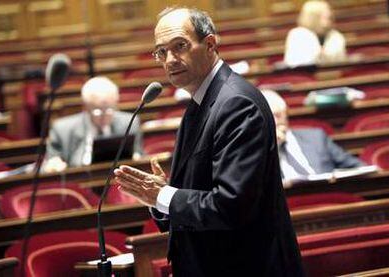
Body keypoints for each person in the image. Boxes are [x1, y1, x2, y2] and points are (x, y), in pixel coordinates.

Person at [114, 7, 304, 276]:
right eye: (161, 52)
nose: (169, 59)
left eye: (179, 46)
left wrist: (164, 196)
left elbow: (231, 206)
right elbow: (199, 196)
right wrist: (160, 197)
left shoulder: (236, 103)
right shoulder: (200, 102)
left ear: (210, 44)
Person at [261, 89, 365, 185]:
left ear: (286, 114)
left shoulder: (316, 137)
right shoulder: (258, 149)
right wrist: (274, 146)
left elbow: (357, 166)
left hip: (325, 193)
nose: (275, 121)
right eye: (270, 116)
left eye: (278, 115)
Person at [43, 76, 143, 173]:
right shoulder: (62, 129)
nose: (104, 116)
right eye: (97, 111)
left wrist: (137, 158)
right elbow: (49, 164)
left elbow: (139, 154)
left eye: (109, 109)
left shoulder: (130, 123)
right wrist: (53, 165)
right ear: (85, 107)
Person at [284, 0, 347, 67]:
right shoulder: (297, 35)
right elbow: (297, 63)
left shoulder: (336, 35)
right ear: (312, 17)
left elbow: (341, 61)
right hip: (302, 75)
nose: (330, 16)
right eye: (323, 16)